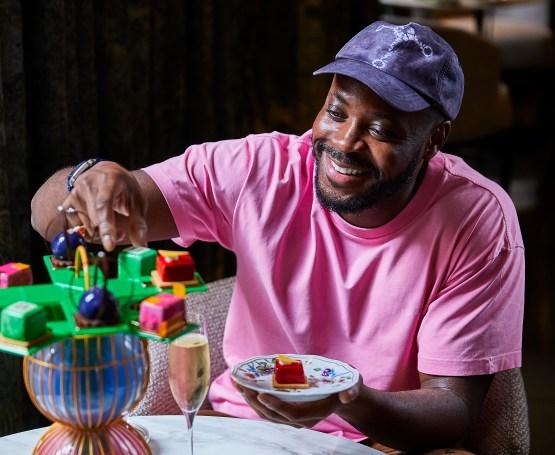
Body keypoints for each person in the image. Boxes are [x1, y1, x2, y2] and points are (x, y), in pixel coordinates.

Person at [31, 21, 524, 453]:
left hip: (378, 441)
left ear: (434, 140)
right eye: (336, 113)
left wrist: (347, 399)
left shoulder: (476, 220)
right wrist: (89, 180)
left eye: (381, 130)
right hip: (238, 430)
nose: (345, 143)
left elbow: (451, 409)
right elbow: (47, 216)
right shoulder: (258, 169)